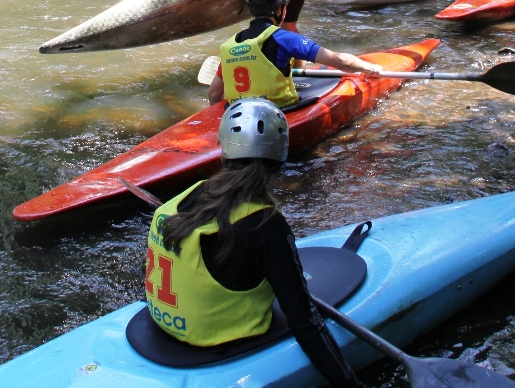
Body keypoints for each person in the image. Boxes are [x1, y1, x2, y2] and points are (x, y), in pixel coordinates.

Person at [144, 98, 368, 387]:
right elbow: (303, 320)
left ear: (224, 148)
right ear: (279, 156)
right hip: (220, 336)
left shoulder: (186, 197)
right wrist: (352, 384)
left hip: (164, 324)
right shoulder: (263, 223)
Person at [207, 0, 383, 108]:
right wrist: (370, 68)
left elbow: (214, 94)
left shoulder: (229, 45)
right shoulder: (284, 38)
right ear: (280, 9)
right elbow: (341, 61)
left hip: (239, 113)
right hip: (281, 111)